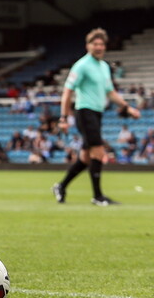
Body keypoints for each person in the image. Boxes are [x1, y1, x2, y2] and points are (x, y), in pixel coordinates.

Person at [53, 28, 140, 206]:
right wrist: (63, 117)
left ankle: (61, 186)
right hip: (85, 112)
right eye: (95, 44)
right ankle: (98, 196)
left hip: (98, 113)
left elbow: (110, 92)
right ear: (88, 46)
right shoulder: (82, 65)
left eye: (102, 44)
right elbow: (67, 92)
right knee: (99, 152)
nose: (99, 47)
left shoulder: (104, 67)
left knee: (85, 158)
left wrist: (127, 107)